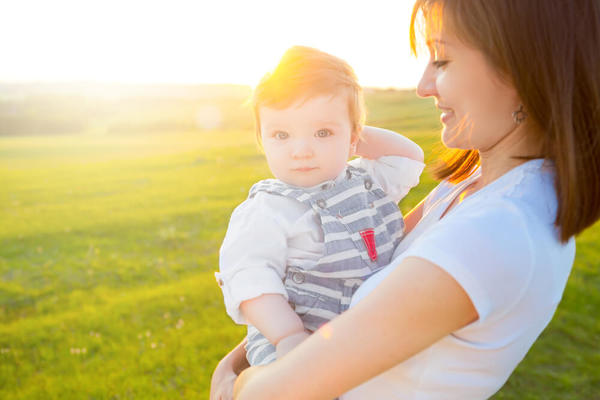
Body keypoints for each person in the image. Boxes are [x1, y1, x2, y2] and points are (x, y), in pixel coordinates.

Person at [212, 0, 600, 399]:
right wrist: (251, 350)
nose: (423, 86)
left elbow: (277, 394)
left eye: (443, 60)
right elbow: (351, 269)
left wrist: (230, 381)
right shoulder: (472, 184)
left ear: (522, 69)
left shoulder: (498, 231)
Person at [215, 46, 425, 368]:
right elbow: (249, 278)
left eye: (322, 133)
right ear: (262, 140)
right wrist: (288, 335)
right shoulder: (265, 210)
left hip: (360, 343)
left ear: (355, 138)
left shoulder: (364, 181)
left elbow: (407, 157)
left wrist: (349, 130)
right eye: (281, 134)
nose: (301, 150)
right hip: (292, 351)